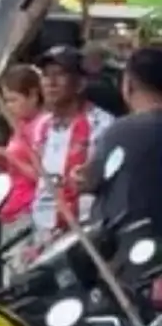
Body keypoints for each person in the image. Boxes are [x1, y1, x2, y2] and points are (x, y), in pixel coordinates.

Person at [27, 45, 114, 248]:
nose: (51, 83)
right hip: (42, 236)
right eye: (46, 75)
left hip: (85, 236)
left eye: (59, 74)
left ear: (80, 83)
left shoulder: (103, 126)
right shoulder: (40, 126)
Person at [88, 45, 162, 235]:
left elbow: (95, 180)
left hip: (134, 240)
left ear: (129, 85)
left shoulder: (119, 132)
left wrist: (84, 179)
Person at [0, 63, 43, 264]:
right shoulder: (20, 127)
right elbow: (14, 172)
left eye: (13, 100)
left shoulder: (40, 127)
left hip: (28, 211)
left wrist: (8, 156)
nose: (8, 107)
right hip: (11, 211)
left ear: (33, 95)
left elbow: (41, 176)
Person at [81, 41, 127, 118]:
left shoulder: (111, 77)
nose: (93, 62)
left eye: (97, 58)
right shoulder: (80, 82)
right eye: (90, 58)